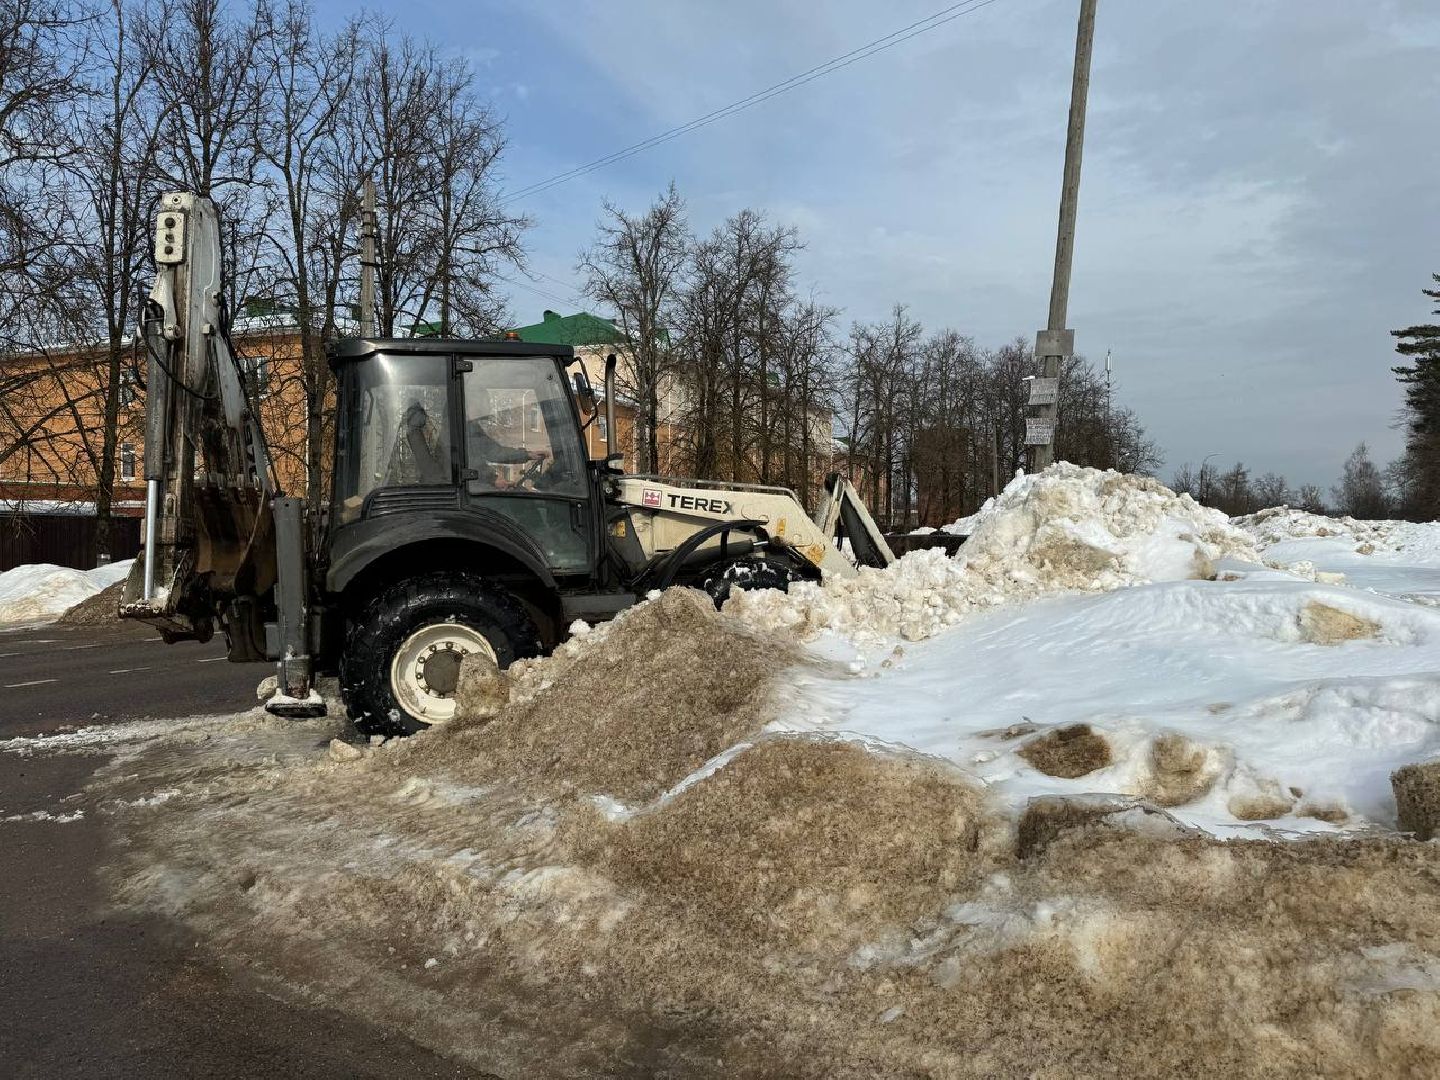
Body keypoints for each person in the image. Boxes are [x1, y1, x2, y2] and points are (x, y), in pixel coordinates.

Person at [468, 416, 549, 488]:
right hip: (469, 488)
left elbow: (494, 452)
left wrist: (528, 455)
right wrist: (492, 478)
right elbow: (470, 462)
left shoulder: (470, 427)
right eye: (485, 402)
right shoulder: (465, 427)